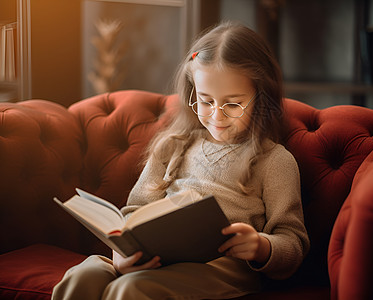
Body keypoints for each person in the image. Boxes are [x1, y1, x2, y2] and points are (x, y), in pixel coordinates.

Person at [52, 21, 309, 300]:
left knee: (130, 289)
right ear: (191, 94)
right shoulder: (172, 146)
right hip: (158, 261)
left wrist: (261, 246)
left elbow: (292, 241)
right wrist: (120, 254)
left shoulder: (275, 161)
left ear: (261, 98)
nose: (217, 115)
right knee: (84, 274)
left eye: (233, 104)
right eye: (205, 101)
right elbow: (134, 212)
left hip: (222, 268)